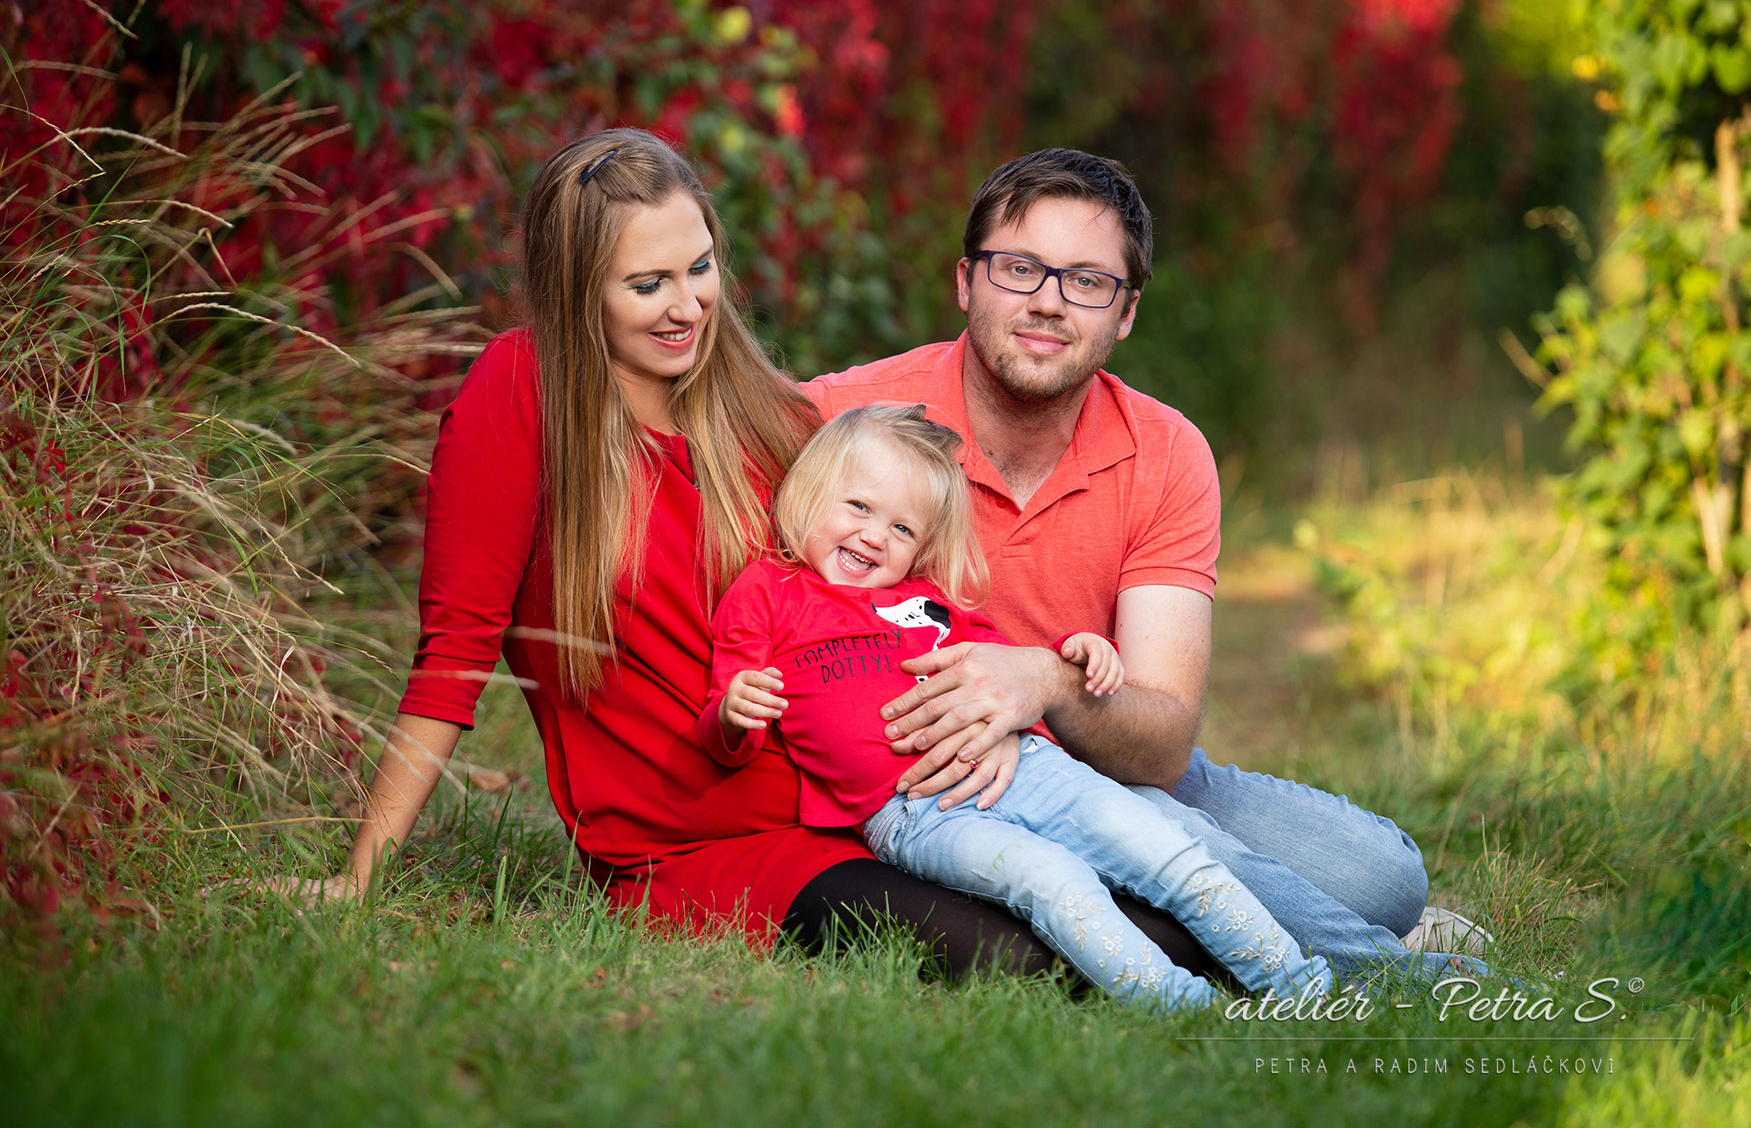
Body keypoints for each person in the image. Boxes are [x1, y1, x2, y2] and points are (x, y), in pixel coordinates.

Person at [280, 128, 1225, 980]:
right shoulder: (521, 394)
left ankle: (1285, 938)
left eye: (699, 268)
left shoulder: (764, 414)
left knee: (1162, 905)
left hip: (863, 788)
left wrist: (1014, 697)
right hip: (700, 839)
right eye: (646, 284)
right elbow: (453, 650)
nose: (685, 305)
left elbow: (889, 588)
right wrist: (361, 877)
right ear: (577, 289)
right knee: (1027, 953)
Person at [801, 147, 1488, 977]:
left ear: (1124, 313)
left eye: (1087, 281)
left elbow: (1160, 739)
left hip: (1102, 754)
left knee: (1385, 878)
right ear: (965, 281)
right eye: (1018, 268)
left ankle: (1305, 911)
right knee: (1182, 843)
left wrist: (1046, 681)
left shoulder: (1164, 452)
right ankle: (1379, 968)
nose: (1048, 301)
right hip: (926, 783)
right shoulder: (844, 418)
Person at [696, 403, 1335, 1010]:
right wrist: (733, 712)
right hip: (915, 813)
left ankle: (1300, 986)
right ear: (809, 494)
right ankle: (1180, 1007)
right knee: (1050, 881)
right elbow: (726, 723)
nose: (874, 536)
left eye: (902, 528)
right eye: (859, 506)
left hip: (1027, 768)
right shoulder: (766, 592)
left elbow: (1010, 671)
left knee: (1164, 851)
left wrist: (1078, 652)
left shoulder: (924, 601)